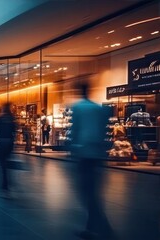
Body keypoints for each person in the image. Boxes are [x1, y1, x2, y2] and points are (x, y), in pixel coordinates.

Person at [70, 82, 115, 240]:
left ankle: (101, 229)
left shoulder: (77, 107)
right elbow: (105, 129)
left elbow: (75, 130)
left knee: (86, 192)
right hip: (98, 153)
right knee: (93, 191)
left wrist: (73, 149)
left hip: (84, 153)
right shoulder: (98, 108)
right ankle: (91, 228)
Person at [0, 103, 16, 198]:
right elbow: (13, 131)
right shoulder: (11, 119)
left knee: (1, 165)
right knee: (5, 164)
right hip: (9, 143)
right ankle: (7, 184)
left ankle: (4, 186)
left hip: (1, 142)